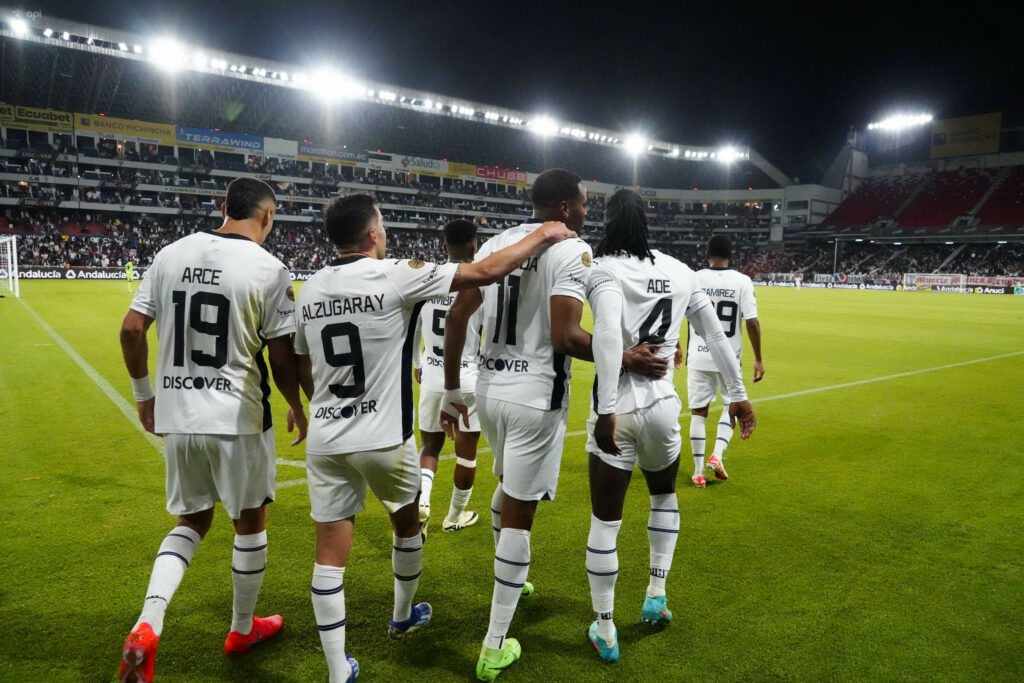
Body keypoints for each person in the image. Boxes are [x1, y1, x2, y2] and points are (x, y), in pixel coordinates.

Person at [293, 193, 576, 683]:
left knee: (329, 552)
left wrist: (317, 402)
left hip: (326, 436)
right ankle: (402, 615)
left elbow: (299, 360)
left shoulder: (311, 288)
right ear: (373, 233)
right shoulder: (395, 272)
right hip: (382, 436)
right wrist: (544, 233)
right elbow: (485, 274)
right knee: (406, 526)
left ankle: (338, 671)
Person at [440, 169, 668, 681]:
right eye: (584, 204)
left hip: (488, 391)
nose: (588, 213)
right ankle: (495, 642)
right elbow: (566, 335)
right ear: (565, 207)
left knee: (505, 491)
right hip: (535, 397)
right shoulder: (572, 250)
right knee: (520, 512)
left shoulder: (499, 242)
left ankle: (514, 582)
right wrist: (625, 358)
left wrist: (454, 390)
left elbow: (457, 315)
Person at [116, 178, 308, 683]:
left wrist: (143, 396)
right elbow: (282, 356)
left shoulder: (170, 253)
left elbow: (132, 328)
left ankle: (147, 624)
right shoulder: (270, 269)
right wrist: (296, 405)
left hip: (179, 415)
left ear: (224, 208)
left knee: (191, 522)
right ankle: (241, 629)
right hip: (239, 416)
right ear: (267, 217)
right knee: (249, 521)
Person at [584, 190, 756, 662]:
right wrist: (737, 395)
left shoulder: (599, 267)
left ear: (609, 220)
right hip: (663, 406)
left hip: (616, 405)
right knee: (663, 495)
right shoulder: (680, 270)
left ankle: (605, 628)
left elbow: (601, 335)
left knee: (606, 520)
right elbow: (717, 335)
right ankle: (656, 596)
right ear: (648, 221)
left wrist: (603, 409)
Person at [412, 219, 485, 535]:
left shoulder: (427, 279)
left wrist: (417, 360)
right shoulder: (482, 282)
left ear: (443, 246)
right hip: (468, 377)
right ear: (474, 246)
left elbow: (413, 326)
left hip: (430, 373)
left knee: (430, 446)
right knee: (466, 452)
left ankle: (422, 501)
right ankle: (454, 515)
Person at [687, 234, 763, 487]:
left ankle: (698, 473)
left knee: (698, 413)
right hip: (729, 357)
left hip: (698, 355)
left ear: (706, 253)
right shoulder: (742, 281)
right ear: (732, 255)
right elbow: (751, 321)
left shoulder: (693, 278)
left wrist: (675, 346)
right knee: (732, 405)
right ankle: (717, 455)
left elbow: (676, 313)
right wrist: (758, 359)